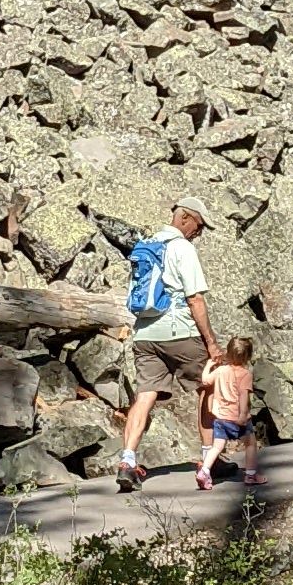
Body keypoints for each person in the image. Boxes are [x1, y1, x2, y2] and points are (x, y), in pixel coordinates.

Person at [113, 200, 218, 493]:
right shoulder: (182, 248)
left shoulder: (145, 246)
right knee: (206, 389)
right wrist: (211, 343)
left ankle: (127, 461)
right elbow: (195, 298)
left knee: (144, 396)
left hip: (145, 334)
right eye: (198, 226)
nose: (199, 233)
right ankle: (211, 459)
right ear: (184, 219)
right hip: (180, 332)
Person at [194, 334, 262, 491]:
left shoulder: (221, 371)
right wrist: (243, 415)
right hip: (237, 417)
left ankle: (204, 471)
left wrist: (208, 365)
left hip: (220, 418)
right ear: (248, 357)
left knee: (217, 447)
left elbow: (205, 381)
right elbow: (244, 396)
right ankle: (251, 475)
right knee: (250, 444)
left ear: (228, 353)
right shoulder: (245, 374)